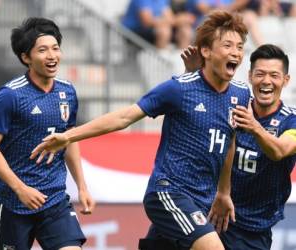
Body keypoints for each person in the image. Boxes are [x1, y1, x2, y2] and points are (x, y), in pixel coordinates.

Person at [31, 11, 250, 250]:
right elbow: (124, 117)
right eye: (227, 45)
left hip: (202, 200)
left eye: (240, 47)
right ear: (206, 51)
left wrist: (224, 192)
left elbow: (229, 141)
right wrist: (67, 136)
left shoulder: (240, 94)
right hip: (168, 193)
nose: (235, 53)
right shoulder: (179, 89)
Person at [183, 44, 296, 249]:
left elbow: (280, 150)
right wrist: (192, 75)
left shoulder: (291, 120)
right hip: (210, 209)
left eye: (274, 75)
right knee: (158, 236)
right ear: (250, 75)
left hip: (252, 228)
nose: (266, 81)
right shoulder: (233, 104)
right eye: (260, 74)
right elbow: (196, 112)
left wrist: (255, 127)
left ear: (285, 80)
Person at [0, 17, 94, 249]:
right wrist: (20, 189)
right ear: (26, 58)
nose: (52, 55)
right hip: (12, 202)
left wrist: (81, 186)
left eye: (55, 48)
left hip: (54, 200)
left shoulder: (67, 91)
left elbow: (69, 139)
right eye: (42, 50)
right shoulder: (10, 96)